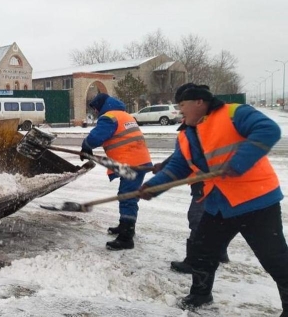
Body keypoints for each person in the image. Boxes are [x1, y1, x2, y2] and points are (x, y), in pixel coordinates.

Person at [138, 83, 288, 314]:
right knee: (202, 251)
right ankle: (200, 295)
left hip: (256, 201)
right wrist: (152, 187)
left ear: (199, 101)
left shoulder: (234, 113)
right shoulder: (186, 134)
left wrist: (238, 162)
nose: (180, 111)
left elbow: (268, 130)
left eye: (182, 105)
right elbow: (179, 166)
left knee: (275, 259)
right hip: (218, 203)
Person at [79, 93, 152, 250]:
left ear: (102, 106)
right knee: (126, 196)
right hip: (140, 160)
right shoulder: (125, 115)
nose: (97, 112)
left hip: (131, 163)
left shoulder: (109, 117)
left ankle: (126, 237)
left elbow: (97, 137)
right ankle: (124, 226)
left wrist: (86, 145)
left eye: (97, 109)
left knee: (127, 198)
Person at [154, 155, 229, 274]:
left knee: (198, 219)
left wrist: (163, 168)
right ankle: (220, 251)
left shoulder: (198, 136)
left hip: (207, 181)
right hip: (220, 179)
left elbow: (184, 155)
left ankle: (194, 262)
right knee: (217, 215)